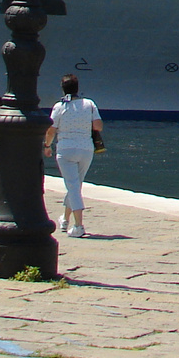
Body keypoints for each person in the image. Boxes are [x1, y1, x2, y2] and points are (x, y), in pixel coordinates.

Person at [43, 74, 102, 237]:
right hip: (86, 149)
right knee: (76, 185)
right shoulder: (89, 104)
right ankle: (65, 219)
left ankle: (79, 225)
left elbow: (51, 130)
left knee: (73, 185)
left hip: (66, 149)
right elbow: (98, 126)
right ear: (78, 88)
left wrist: (47, 146)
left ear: (63, 89)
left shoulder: (59, 107)